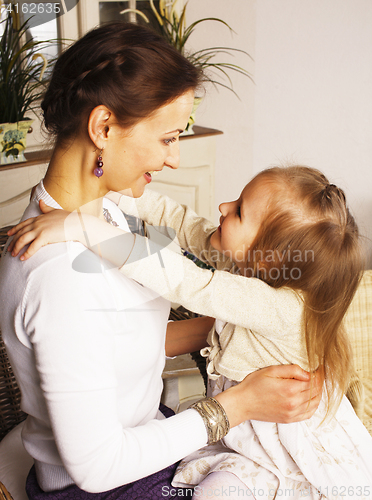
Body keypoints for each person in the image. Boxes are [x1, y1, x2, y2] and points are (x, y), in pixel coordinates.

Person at [0, 22, 322, 499]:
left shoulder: (109, 211)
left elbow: (125, 336)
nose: (173, 160)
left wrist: (255, 336)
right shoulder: (58, 275)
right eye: (168, 137)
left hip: (150, 437)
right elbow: (98, 468)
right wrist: (242, 403)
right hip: (106, 485)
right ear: (103, 128)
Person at [8, 164, 372, 499]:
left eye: (240, 211)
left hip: (284, 450)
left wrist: (81, 229)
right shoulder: (246, 263)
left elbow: (185, 281)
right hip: (243, 436)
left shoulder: (281, 307)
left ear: (267, 257)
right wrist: (108, 192)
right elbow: (182, 222)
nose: (224, 206)